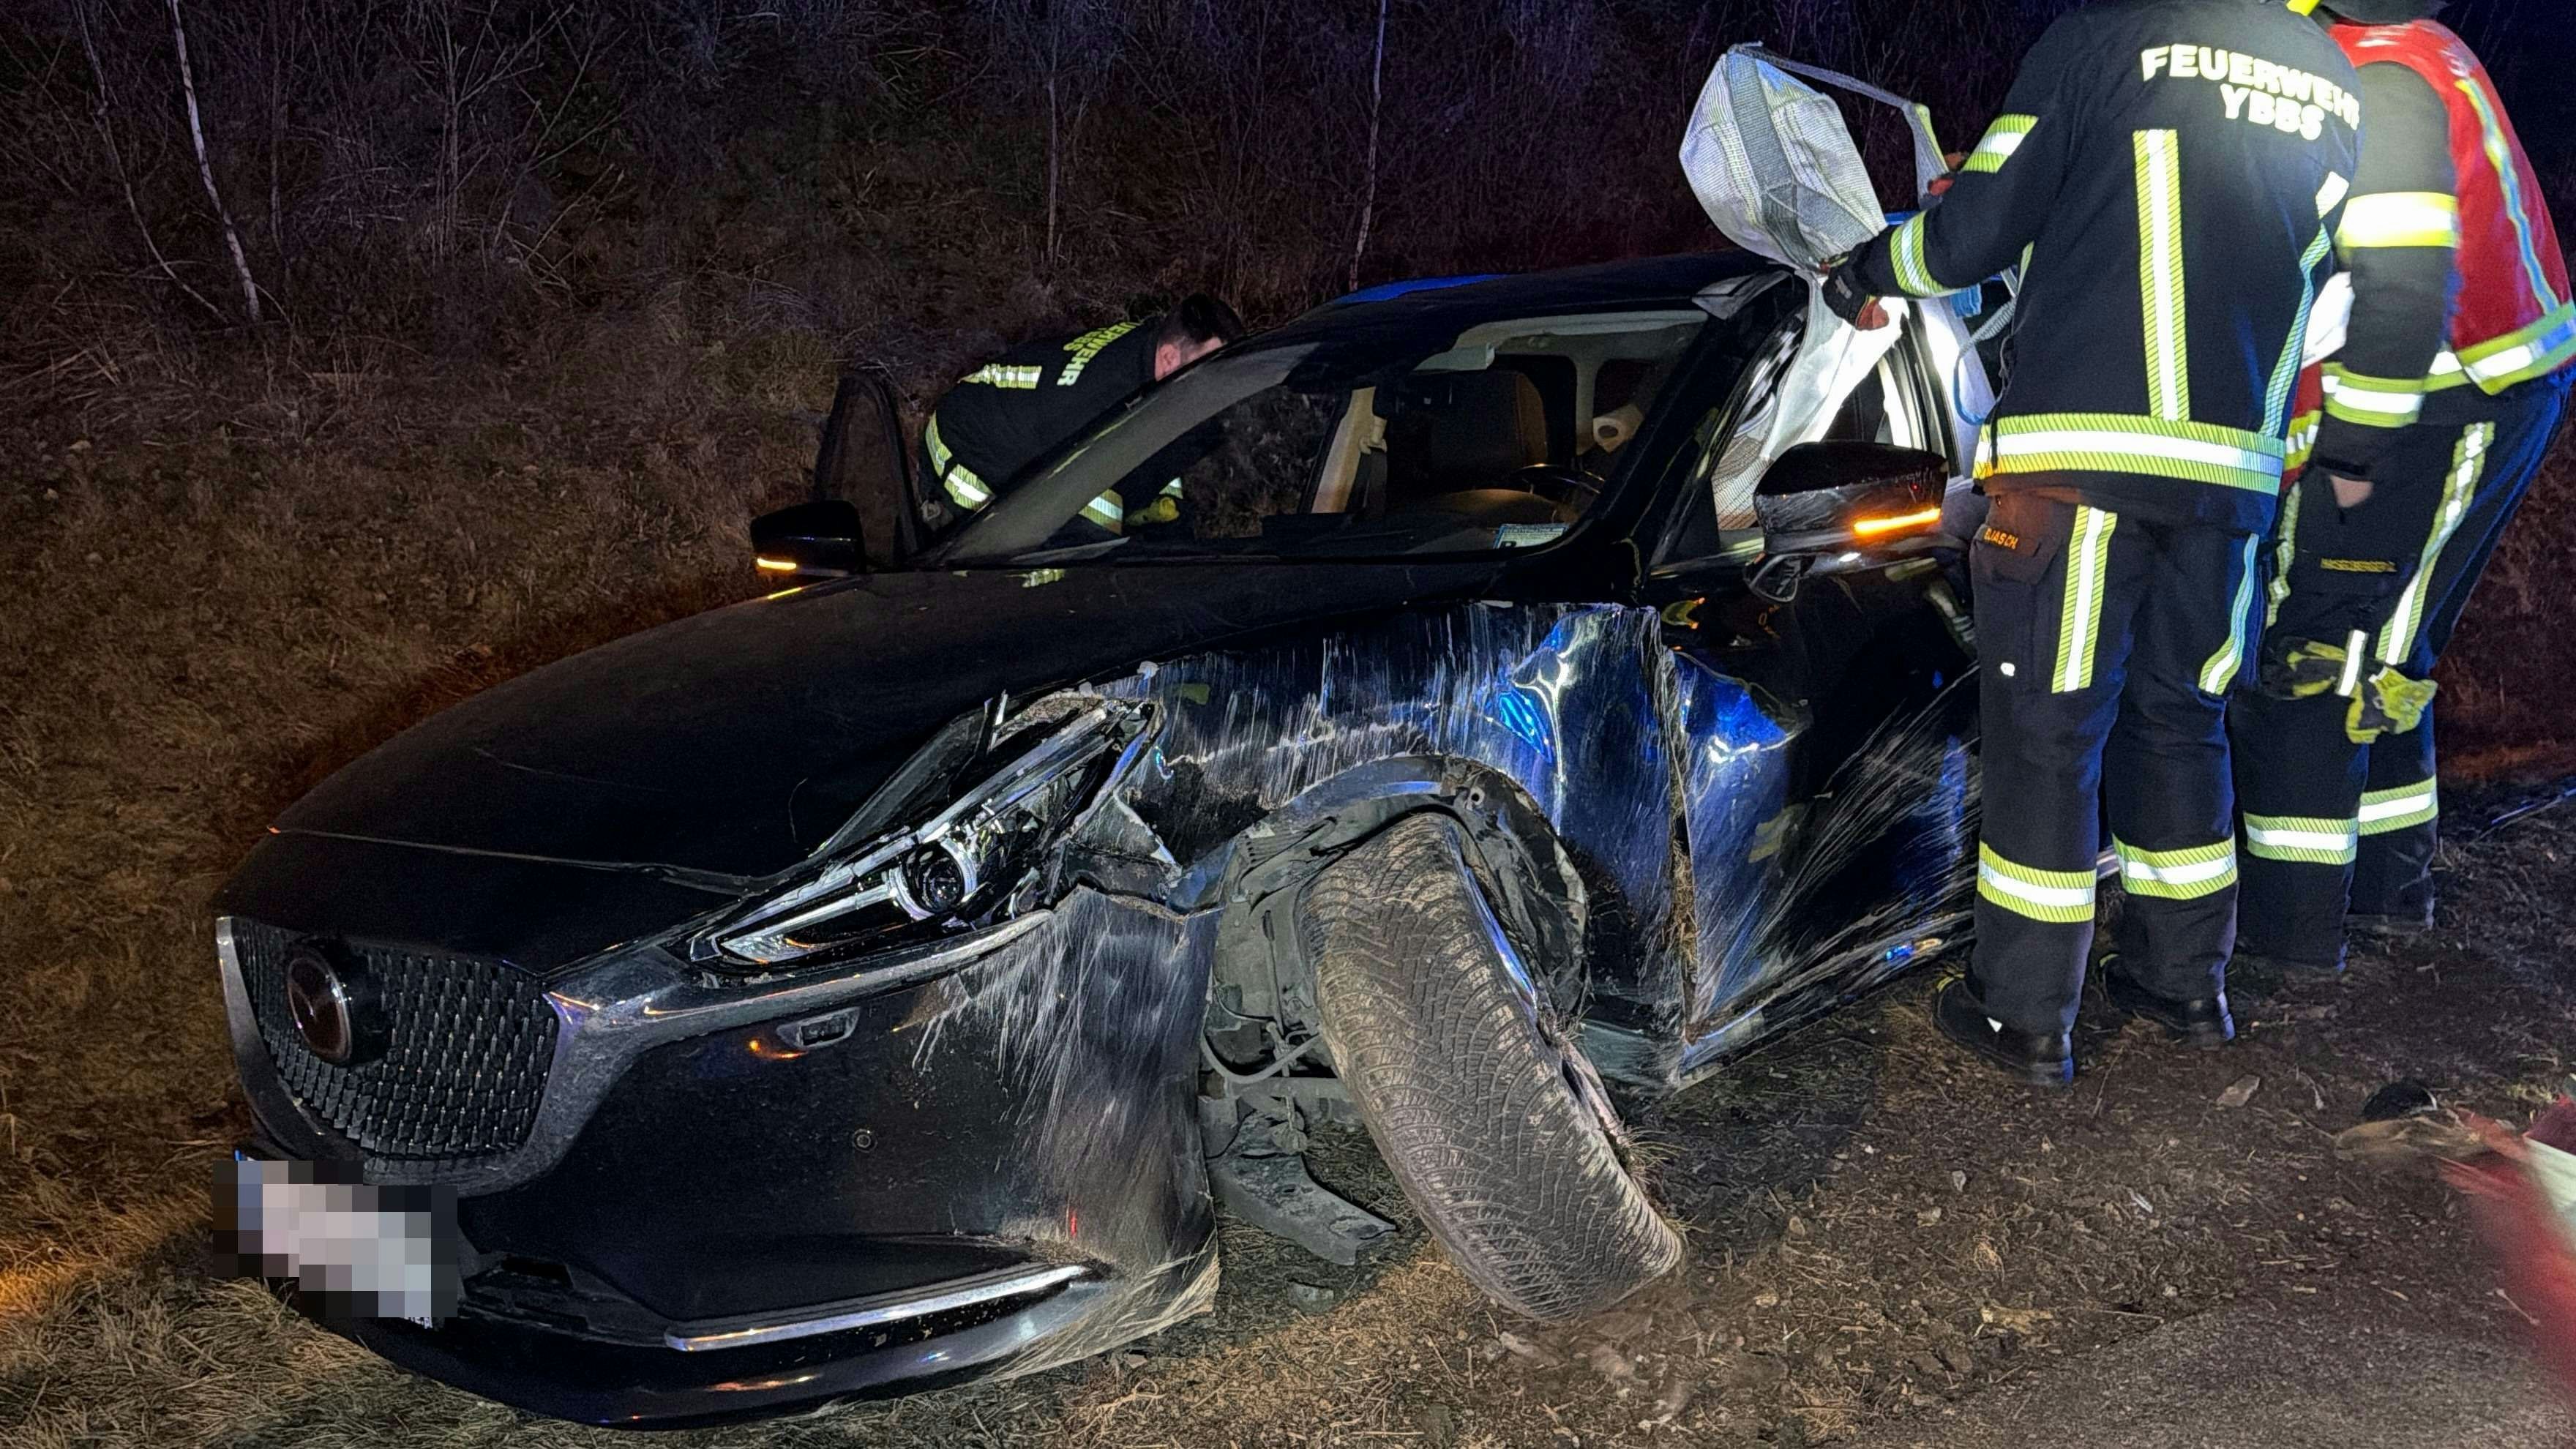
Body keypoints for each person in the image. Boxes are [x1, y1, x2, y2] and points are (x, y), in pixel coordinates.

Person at [1819, 1, 2360, 1085]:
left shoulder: (2102, 39)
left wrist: (1866, 270)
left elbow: (1970, 237)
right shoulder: (2330, 78)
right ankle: (2184, 986)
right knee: (2181, 725)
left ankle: (2023, 1015)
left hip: (2083, 469)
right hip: (2234, 486)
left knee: (2048, 735)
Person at [2232, 0, 2572, 972]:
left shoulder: (2375, 83)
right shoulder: (2407, 48)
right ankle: (2388, 894)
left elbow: (2399, 303)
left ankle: (2289, 939)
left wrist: (2345, 464)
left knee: (2317, 653)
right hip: (2480, 392)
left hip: (2435, 403)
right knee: (2386, 650)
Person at [921, 295, 1245, 539]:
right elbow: (1086, 522)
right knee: (982, 567)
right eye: (1208, 368)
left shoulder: (1148, 349)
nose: (1211, 383)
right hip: (966, 457)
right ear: (1171, 357)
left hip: (1009, 412)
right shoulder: (1100, 398)